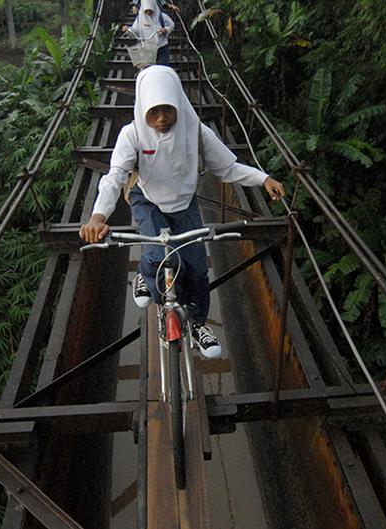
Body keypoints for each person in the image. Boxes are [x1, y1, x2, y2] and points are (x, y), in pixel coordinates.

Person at [80, 66, 285, 358]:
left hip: (184, 203)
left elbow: (227, 167)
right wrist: (98, 217)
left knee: (198, 270)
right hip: (148, 200)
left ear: (178, 103)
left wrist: (263, 179)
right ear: (143, 108)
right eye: (154, 112)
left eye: (168, 109)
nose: (161, 119)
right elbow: (115, 177)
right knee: (162, 258)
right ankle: (145, 275)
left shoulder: (196, 132)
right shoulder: (133, 134)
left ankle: (198, 323)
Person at [123, 0, 174, 67]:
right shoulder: (139, 19)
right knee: (146, 68)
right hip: (147, 48)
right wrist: (128, 30)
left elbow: (171, 24)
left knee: (163, 68)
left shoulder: (161, 16)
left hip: (161, 47)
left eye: (150, 10)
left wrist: (166, 29)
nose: (148, 13)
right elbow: (135, 30)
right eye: (146, 11)